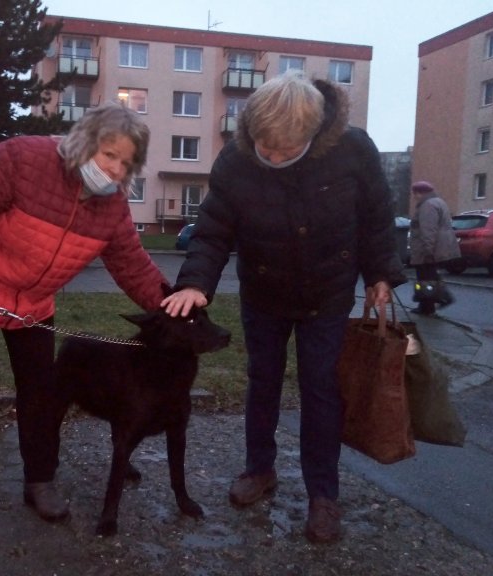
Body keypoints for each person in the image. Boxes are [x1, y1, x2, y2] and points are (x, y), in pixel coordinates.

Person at [161, 72, 405, 544]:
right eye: (263, 147)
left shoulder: (353, 150)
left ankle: (323, 496)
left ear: (312, 136)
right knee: (263, 382)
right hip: (265, 292)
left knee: (320, 390)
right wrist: (195, 283)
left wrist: (380, 274)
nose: (270, 157)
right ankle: (259, 469)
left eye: (283, 150)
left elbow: (377, 218)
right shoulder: (236, 160)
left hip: (328, 294)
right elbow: (212, 230)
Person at [0, 102, 170, 530]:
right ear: (84, 142)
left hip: (33, 306)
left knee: (41, 393)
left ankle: (40, 481)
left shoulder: (112, 207)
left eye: (125, 163)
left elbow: (132, 264)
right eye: (109, 155)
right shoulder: (19, 159)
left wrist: (172, 304)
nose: (114, 170)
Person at [408, 180, 460, 315]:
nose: (414, 197)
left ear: (420, 193)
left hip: (427, 250)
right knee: (430, 277)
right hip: (437, 249)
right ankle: (428, 304)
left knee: (425, 278)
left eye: (415, 193)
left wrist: (428, 251)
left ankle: (433, 303)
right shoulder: (438, 202)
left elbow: (428, 230)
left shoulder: (427, 206)